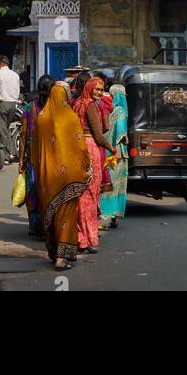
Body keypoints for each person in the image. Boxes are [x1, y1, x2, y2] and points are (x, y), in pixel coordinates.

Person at [30, 82, 91, 269]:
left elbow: (34, 149)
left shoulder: (41, 118)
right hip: (68, 176)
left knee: (49, 213)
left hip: (46, 177)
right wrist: (86, 166)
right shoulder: (70, 118)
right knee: (66, 215)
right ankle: (61, 258)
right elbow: (80, 147)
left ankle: (54, 252)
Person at [72, 74, 115, 254]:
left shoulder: (77, 104)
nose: (99, 92)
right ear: (89, 88)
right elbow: (98, 135)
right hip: (90, 148)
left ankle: (79, 237)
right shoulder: (90, 106)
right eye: (97, 89)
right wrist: (111, 148)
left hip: (78, 147)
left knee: (80, 194)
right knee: (90, 194)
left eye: (101, 90)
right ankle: (88, 238)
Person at [19, 75, 53, 239]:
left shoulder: (30, 107)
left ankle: (36, 225)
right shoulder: (56, 107)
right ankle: (45, 226)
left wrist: (21, 159)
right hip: (48, 157)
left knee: (33, 191)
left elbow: (23, 135)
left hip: (34, 157)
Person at [100, 83, 129, 228]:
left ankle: (104, 212)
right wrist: (125, 138)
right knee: (117, 184)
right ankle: (113, 214)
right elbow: (121, 132)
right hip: (118, 153)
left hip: (105, 150)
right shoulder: (120, 111)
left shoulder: (104, 108)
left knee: (107, 182)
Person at [0, 55, 21, 163]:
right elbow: (17, 90)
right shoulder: (15, 75)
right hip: (13, 104)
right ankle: (11, 153)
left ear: (1, 63)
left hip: (2, 104)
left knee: (2, 130)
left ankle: (6, 156)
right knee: (6, 129)